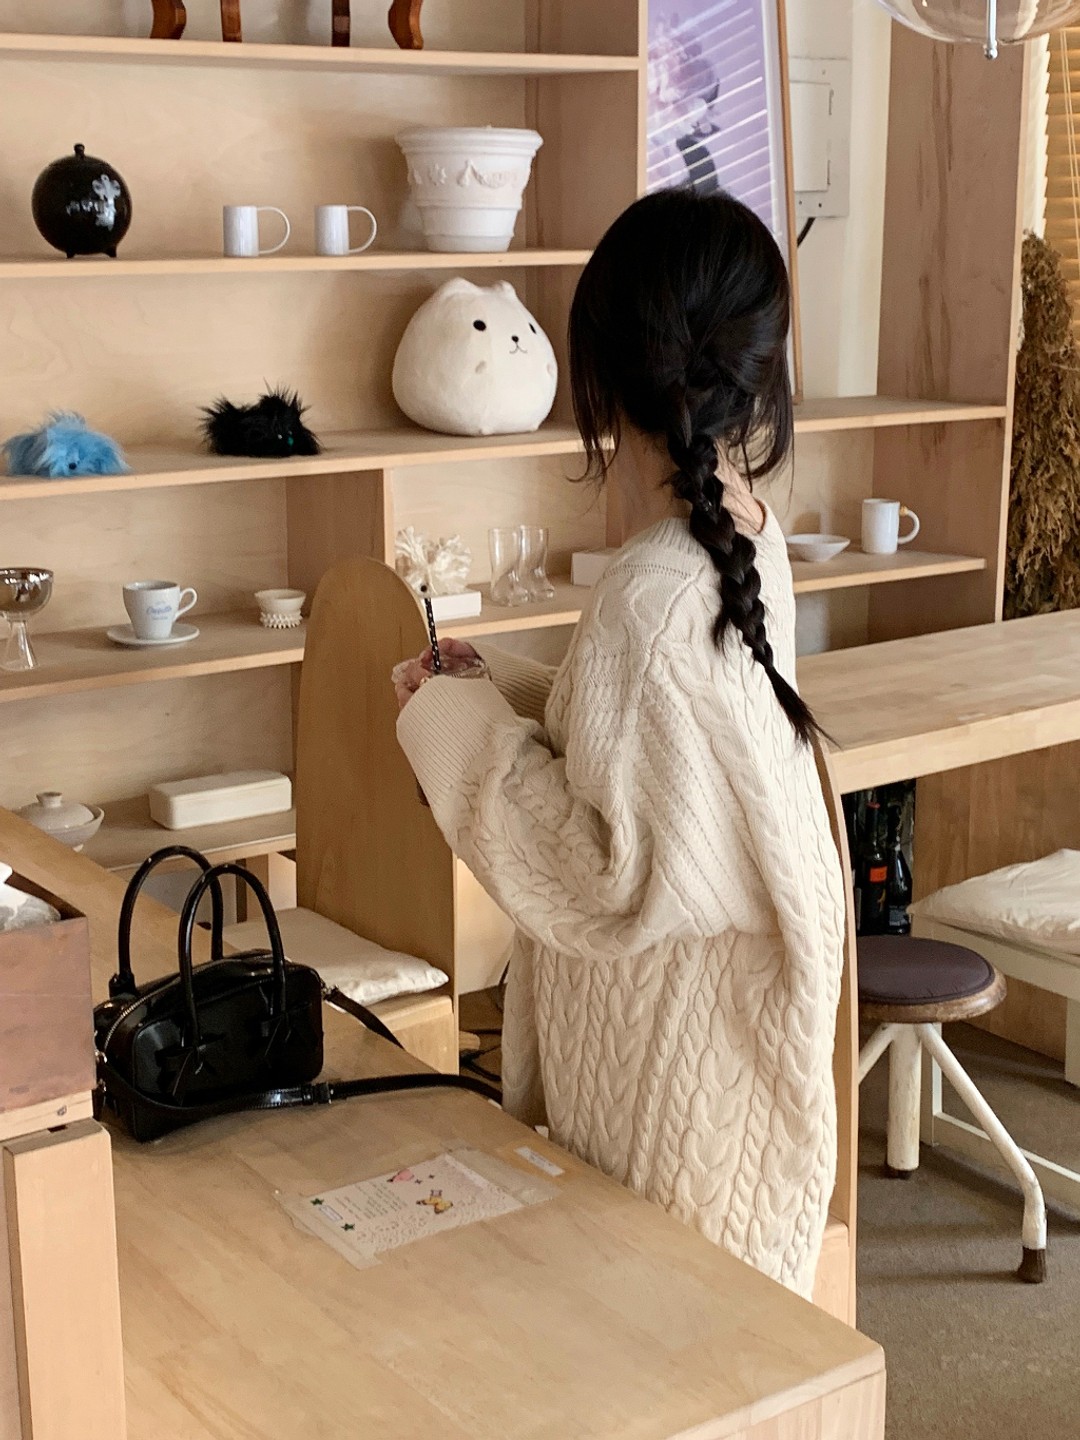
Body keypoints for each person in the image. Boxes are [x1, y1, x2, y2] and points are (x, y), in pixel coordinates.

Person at [393, 187, 845, 1297]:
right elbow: (668, 757)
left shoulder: (650, 588)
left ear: (599, 372)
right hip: (727, 1037)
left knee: (656, 1342)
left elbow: (602, 872)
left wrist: (451, 724)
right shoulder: (745, 534)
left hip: (668, 1075)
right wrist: (499, 685)